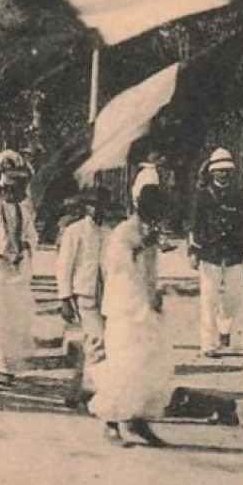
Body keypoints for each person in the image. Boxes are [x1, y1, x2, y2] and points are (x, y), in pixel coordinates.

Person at [89, 183, 172, 446]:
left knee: (147, 364)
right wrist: (140, 246)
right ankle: (111, 423)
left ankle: (138, 421)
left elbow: (149, 271)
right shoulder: (124, 231)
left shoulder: (151, 231)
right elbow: (117, 265)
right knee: (123, 364)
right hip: (124, 307)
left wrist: (156, 293)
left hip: (145, 307)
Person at [188, 147, 243, 358]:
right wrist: (193, 250)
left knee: (235, 297)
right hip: (210, 251)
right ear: (212, 172)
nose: (223, 174)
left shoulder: (237, 194)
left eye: (227, 170)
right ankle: (207, 343)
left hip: (234, 251)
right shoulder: (202, 194)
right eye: (219, 170)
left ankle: (224, 326)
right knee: (209, 298)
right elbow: (194, 224)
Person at [0, 168, 37, 385]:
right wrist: (1, 256)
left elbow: (32, 236)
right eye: (10, 190)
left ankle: (11, 365)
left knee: (16, 319)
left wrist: (25, 248)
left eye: (18, 190)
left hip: (18, 273)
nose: (14, 195)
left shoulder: (24, 212)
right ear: (3, 190)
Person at [56, 188, 108, 409]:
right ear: (86, 208)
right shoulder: (75, 231)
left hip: (104, 292)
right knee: (96, 340)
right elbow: (64, 265)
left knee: (92, 342)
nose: (97, 211)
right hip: (83, 291)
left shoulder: (107, 232)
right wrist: (64, 298)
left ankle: (75, 391)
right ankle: (90, 391)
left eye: (101, 206)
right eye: (93, 206)